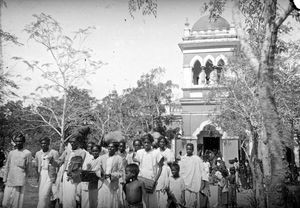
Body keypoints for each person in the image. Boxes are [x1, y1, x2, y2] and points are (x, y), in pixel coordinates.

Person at [50, 133, 86, 208]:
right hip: (65, 176)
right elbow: (59, 162)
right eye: (71, 142)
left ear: (78, 142)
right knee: (64, 197)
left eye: (74, 141)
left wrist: (73, 174)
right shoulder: (67, 151)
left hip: (73, 177)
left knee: (71, 197)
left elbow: (79, 166)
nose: (72, 143)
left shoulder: (82, 152)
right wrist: (51, 161)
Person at [133, 134, 164, 208]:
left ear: (151, 142)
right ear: (142, 143)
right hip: (141, 180)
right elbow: (137, 165)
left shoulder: (156, 153)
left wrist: (155, 181)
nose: (146, 144)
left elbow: (160, 168)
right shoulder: (139, 152)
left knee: (152, 202)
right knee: (142, 202)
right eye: (144, 142)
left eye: (148, 142)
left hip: (151, 181)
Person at [2, 133, 32, 208]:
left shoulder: (27, 153)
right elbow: (7, 166)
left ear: (23, 142)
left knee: (16, 204)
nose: (18, 143)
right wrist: (5, 178)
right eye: (17, 141)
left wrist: (25, 179)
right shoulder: (11, 153)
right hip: (10, 180)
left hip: (19, 182)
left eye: (20, 141)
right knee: (5, 203)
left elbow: (28, 168)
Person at [95, 141, 124, 208]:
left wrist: (111, 175)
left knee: (111, 202)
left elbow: (121, 172)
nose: (110, 148)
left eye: (112, 147)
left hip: (112, 183)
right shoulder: (102, 157)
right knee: (102, 201)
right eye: (109, 147)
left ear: (115, 148)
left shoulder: (119, 158)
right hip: (103, 183)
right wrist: (101, 174)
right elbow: (97, 169)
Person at [35, 137, 59, 208]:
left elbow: (58, 165)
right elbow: (37, 166)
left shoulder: (54, 152)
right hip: (42, 174)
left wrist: (55, 177)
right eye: (42, 143)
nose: (43, 145)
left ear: (48, 144)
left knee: (45, 194)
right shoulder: (38, 153)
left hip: (50, 174)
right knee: (41, 194)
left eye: (45, 143)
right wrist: (38, 176)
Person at [178, 143, 203, 208]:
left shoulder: (197, 159)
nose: (189, 150)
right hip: (185, 184)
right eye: (187, 149)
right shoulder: (183, 159)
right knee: (186, 202)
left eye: (190, 149)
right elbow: (181, 172)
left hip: (194, 184)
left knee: (193, 203)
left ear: (193, 150)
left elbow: (201, 171)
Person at [156, 136, 175, 208]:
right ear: (158, 143)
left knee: (164, 190)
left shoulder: (168, 151)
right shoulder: (156, 151)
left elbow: (171, 164)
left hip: (166, 172)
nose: (162, 143)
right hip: (157, 171)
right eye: (160, 142)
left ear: (165, 143)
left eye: (163, 142)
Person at [76, 141, 95, 208]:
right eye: (88, 147)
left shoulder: (96, 156)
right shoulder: (84, 154)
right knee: (84, 199)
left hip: (93, 180)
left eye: (91, 147)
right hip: (84, 178)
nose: (89, 148)